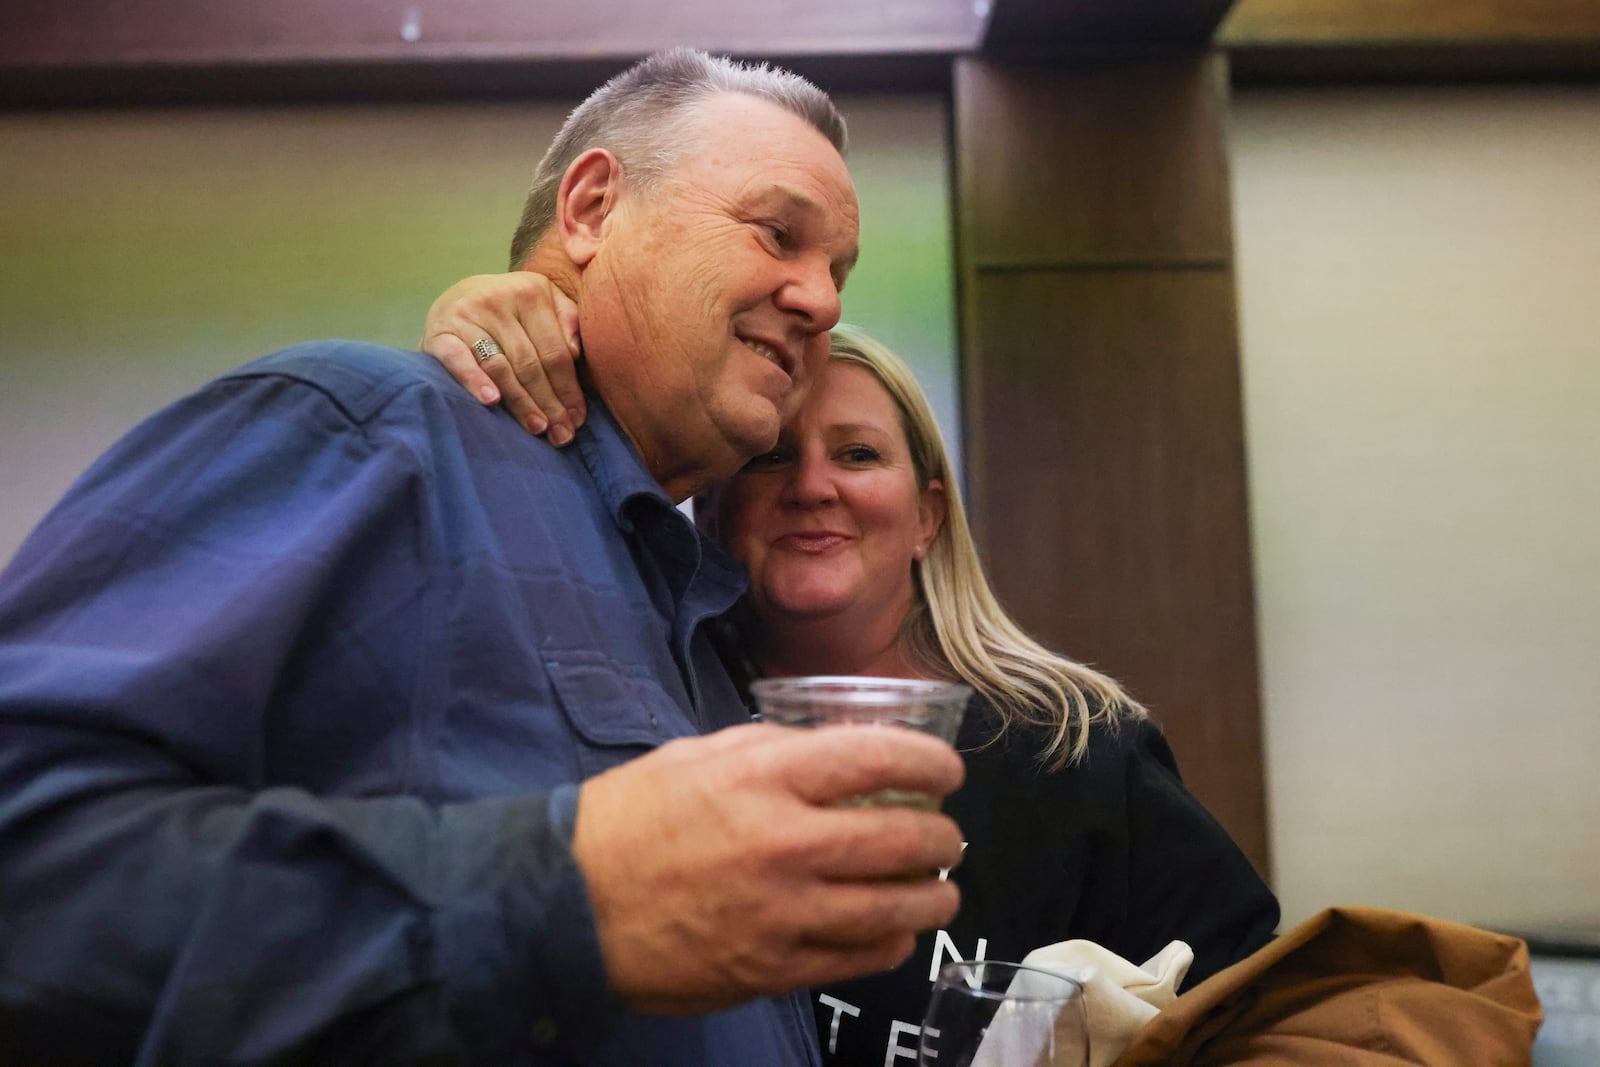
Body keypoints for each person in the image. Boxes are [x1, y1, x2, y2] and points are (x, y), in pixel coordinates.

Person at [0, 50, 971, 1066]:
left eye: (839, 274)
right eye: (779, 233)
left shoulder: (702, 610)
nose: (820, 298)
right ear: (591, 208)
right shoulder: (373, 435)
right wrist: (562, 892)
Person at [419, 279, 1284, 1066]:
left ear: (927, 517)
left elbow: (1262, 1018)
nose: (813, 486)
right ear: (708, 507)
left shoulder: (1074, 749)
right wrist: (483, 350)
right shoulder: (650, 715)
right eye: (770, 457)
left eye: (859, 454)